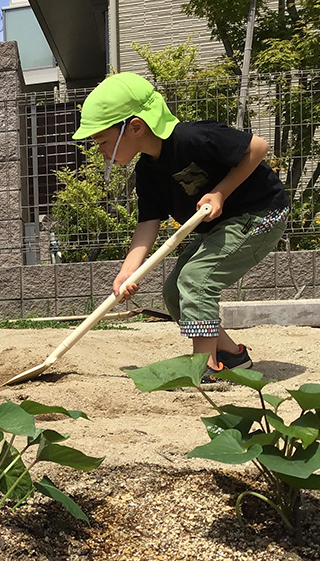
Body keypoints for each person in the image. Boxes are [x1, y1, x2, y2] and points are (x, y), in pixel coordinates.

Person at [72, 72, 289, 383]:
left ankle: (206, 367)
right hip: (222, 227)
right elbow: (148, 222)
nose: (101, 151)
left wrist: (220, 193)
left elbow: (257, 147)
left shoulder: (192, 138)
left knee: (195, 281)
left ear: (135, 127)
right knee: (174, 292)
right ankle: (232, 356)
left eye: (103, 141)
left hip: (260, 214)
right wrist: (127, 273)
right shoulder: (147, 172)